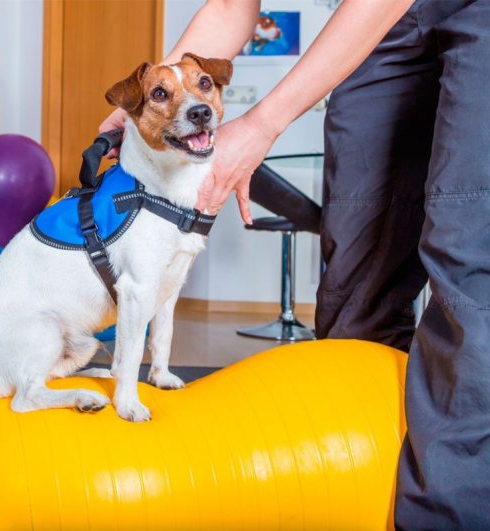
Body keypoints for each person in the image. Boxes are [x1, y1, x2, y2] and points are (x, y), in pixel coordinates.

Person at [100, 0, 490, 528]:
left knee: (465, 253)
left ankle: (449, 513)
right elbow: (232, 6)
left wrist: (262, 124)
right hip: (397, 24)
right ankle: (355, 481)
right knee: (358, 272)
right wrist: (149, 100)